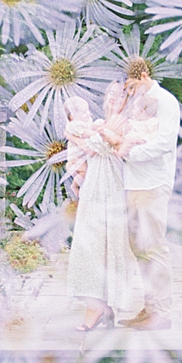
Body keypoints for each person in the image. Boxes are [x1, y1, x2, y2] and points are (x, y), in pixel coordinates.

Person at [107, 57, 181, 331]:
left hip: (153, 182)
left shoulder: (166, 102)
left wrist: (129, 154)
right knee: (138, 247)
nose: (130, 92)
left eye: (132, 85)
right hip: (132, 183)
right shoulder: (135, 106)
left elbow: (164, 142)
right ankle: (149, 307)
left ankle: (162, 312)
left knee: (154, 246)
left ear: (144, 74)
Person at [63, 89, 144, 331]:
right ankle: (96, 304)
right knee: (90, 245)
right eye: (109, 94)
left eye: (119, 96)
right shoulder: (99, 123)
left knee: (109, 246)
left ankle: (105, 304)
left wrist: (78, 138)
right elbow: (85, 147)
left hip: (112, 189)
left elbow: (97, 146)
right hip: (94, 189)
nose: (112, 99)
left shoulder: (123, 124)